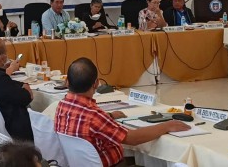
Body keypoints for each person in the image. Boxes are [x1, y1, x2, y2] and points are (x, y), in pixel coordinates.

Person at [55, 57, 190, 167]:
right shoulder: (93, 116)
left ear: (67, 82)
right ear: (96, 84)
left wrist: (109, 116)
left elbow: (85, 123)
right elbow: (133, 139)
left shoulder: (62, 105)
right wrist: (167, 125)